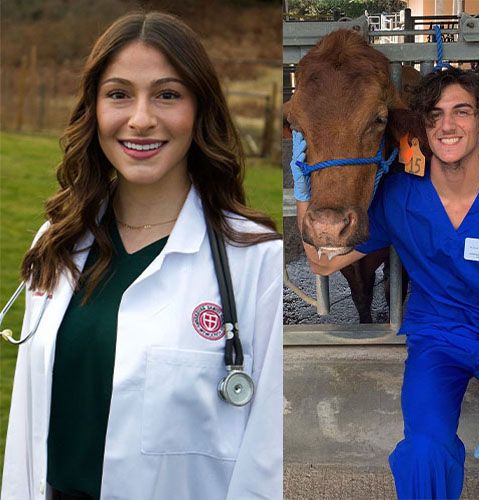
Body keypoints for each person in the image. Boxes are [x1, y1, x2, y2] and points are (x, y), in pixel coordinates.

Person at [1, 12, 282, 500]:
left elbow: (266, 458)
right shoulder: (57, 242)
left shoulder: (256, 263)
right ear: (94, 108)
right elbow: (26, 430)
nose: (141, 118)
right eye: (119, 94)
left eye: (167, 94)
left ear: (199, 109)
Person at [291, 67, 479, 498]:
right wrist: (304, 186)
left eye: (461, 112)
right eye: (434, 116)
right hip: (438, 339)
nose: (447, 125)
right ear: (423, 129)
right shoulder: (399, 197)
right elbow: (323, 264)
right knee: (423, 451)